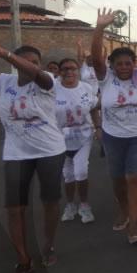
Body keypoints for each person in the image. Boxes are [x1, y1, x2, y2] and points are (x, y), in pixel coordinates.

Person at [0, 38, 66, 273]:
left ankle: (49, 243)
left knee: (50, 202)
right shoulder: (6, 82)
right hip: (16, 153)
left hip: (49, 151)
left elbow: (36, 74)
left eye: (34, 62)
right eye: (25, 61)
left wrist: (4, 53)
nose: (29, 65)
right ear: (15, 66)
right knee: (14, 209)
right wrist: (6, 56)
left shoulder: (47, 82)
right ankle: (24, 259)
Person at [91, 0, 137, 245]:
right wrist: (99, 28)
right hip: (113, 137)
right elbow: (95, 58)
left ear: (134, 64)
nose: (124, 67)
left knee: (136, 178)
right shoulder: (105, 79)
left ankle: (134, 224)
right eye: (119, 64)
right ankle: (122, 207)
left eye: (128, 63)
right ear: (112, 66)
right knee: (118, 179)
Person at [55, 58, 99, 224]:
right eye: (65, 69)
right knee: (67, 175)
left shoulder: (86, 88)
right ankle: (70, 205)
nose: (69, 72)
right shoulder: (52, 88)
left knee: (80, 171)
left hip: (83, 136)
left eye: (73, 68)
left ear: (78, 71)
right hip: (60, 139)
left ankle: (84, 205)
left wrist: (98, 127)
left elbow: (94, 107)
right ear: (59, 72)